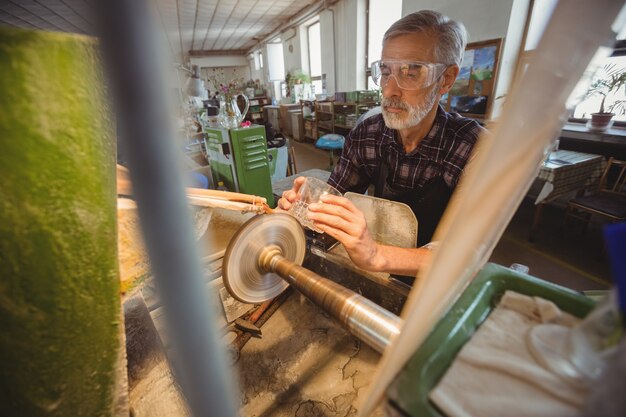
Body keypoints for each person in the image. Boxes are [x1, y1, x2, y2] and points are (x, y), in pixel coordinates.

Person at [278, 10, 486, 277]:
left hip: (437, 288)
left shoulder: (473, 148)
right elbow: (334, 198)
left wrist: (375, 255)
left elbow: (464, 256)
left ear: (446, 79)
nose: (389, 90)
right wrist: (305, 208)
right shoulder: (369, 133)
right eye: (386, 72)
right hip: (381, 269)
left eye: (411, 73)